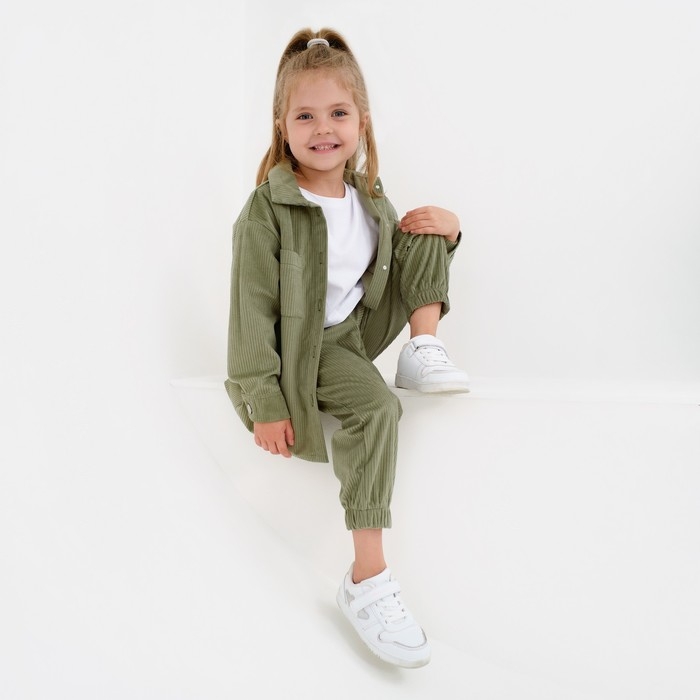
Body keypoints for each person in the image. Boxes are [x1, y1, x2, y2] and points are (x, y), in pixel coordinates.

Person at [225, 27, 469, 669]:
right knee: (379, 409)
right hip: (312, 349)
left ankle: (423, 347)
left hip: (358, 330)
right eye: (305, 116)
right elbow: (250, 312)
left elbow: (402, 263)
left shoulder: (370, 198)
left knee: (426, 227)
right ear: (282, 127)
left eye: (338, 113)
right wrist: (263, 401)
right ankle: (368, 578)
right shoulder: (268, 210)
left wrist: (450, 233)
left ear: (361, 122)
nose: (323, 128)